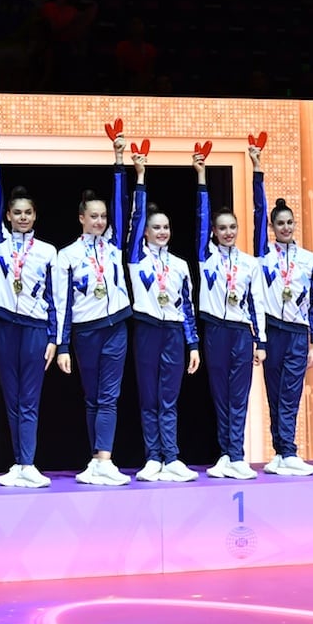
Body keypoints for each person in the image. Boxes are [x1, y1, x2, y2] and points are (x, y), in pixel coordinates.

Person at [53, 123, 133, 485]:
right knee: (91, 397)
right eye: (93, 216)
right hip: (84, 333)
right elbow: (62, 304)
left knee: (109, 395)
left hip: (116, 326)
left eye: (103, 216)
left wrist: (119, 160)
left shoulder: (115, 247)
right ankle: (94, 460)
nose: (100, 220)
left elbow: (122, 203)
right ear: (81, 218)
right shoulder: (66, 256)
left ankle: (105, 458)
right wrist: (64, 345)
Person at [0, 123, 57, 489]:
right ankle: (19, 463)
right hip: (4, 325)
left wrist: (55, 338)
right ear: (9, 217)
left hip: (35, 328)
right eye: (17, 213)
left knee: (31, 398)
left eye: (28, 212)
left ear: (35, 216)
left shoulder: (47, 251)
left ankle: (30, 462)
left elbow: (58, 297)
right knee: (11, 397)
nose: (22, 217)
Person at [125, 146, 201, 481]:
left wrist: (193, 344)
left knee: (169, 398)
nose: (162, 232)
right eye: (155, 227)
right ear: (145, 231)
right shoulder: (135, 259)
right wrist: (141, 177)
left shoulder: (181, 265)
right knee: (149, 397)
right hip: (146, 329)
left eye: (166, 227)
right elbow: (134, 218)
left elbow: (188, 306)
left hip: (173, 332)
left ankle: (172, 458)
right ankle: (153, 457)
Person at [251, 135, 313, 475]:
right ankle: (280, 453)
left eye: (289, 222)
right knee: (274, 392)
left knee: (290, 393)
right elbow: (257, 210)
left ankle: (289, 450)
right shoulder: (262, 255)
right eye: (279, 223)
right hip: (271, 331)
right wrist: (257, 169)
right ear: (272, 227)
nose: (285, 227)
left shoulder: (309, 261)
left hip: (297, 332)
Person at [196, 144, 266, 480]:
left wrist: (261, 341)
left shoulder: (250, 264)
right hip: (214, 330)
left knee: (238, 396)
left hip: (241, 332)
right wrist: (201, 177)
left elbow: (258, 304)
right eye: (221, 228)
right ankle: (226, 455)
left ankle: (237, 455)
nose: (227, 232)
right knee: (219, 395)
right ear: (213, 231)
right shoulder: (205, 258)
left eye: (232, 228)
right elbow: (200, 216)